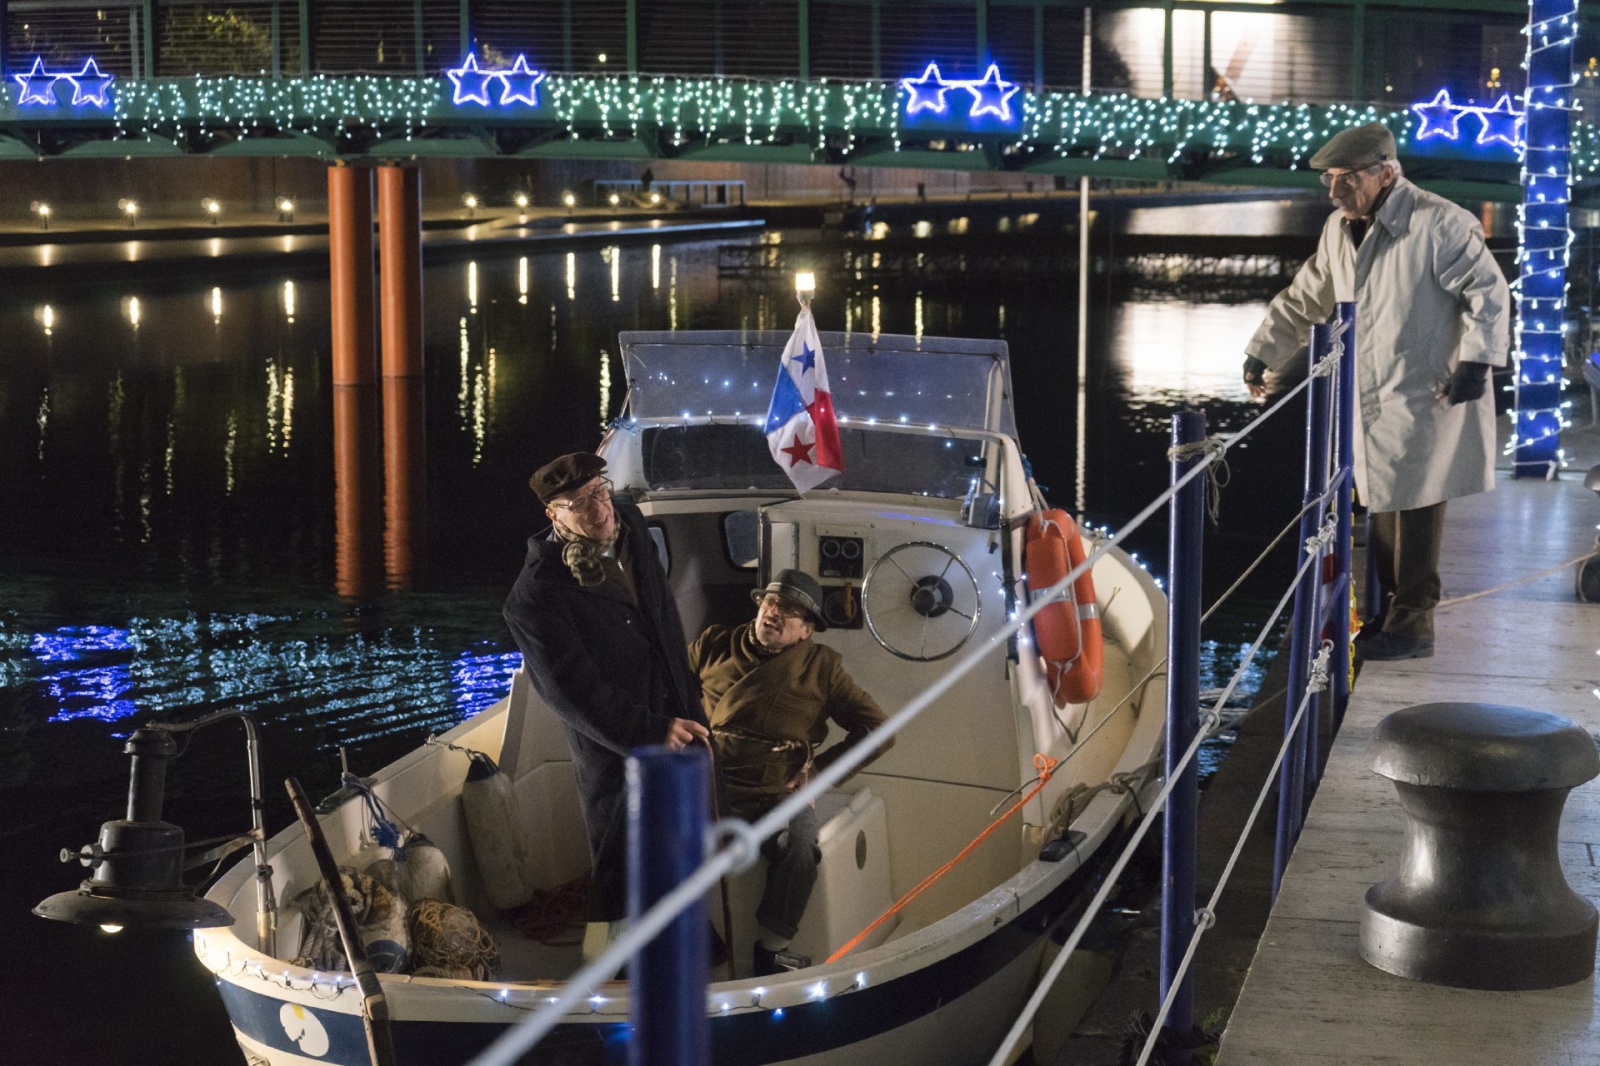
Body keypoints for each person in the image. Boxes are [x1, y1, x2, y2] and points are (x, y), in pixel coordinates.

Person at [1242, 122, 1510, 661]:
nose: (1335, 191)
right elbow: (1308, 295)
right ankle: (1391, 616)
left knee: (1417, 506)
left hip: (1425, 389)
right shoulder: (1340, 228)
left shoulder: (1438, 223)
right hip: (1371, 393)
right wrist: (1263, 351)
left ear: (1385, 174)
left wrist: (1477, 364)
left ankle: (1414, 626)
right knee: (1385, 505)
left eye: (1346, 178)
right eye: (1329, 179)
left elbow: (1489, 291)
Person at [503, 452, 707, 961]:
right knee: (620, 853)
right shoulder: (535, 598)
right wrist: (649, 730)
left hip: (678, 709)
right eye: (578, 504)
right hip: (618, 741)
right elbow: (573, 693)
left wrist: (689, 704)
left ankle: (684, 935)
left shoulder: (629, 521)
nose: (598, 510)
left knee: (683, 832)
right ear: (553, 516)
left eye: (599, 492)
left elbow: (660, 615)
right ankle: (609, 963)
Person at [688, 569, 892, 976]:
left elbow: (878, 730)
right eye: (771, 602)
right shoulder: (712, 644)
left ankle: (773, 947)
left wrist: (818, 771)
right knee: (644, 834)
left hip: (774, 789)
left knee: (799, 846)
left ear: (806, 631)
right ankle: (697, 940)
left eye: (792, 611)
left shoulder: (822, 668)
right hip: (707, 783)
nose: (775, 613)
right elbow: (663, 683)